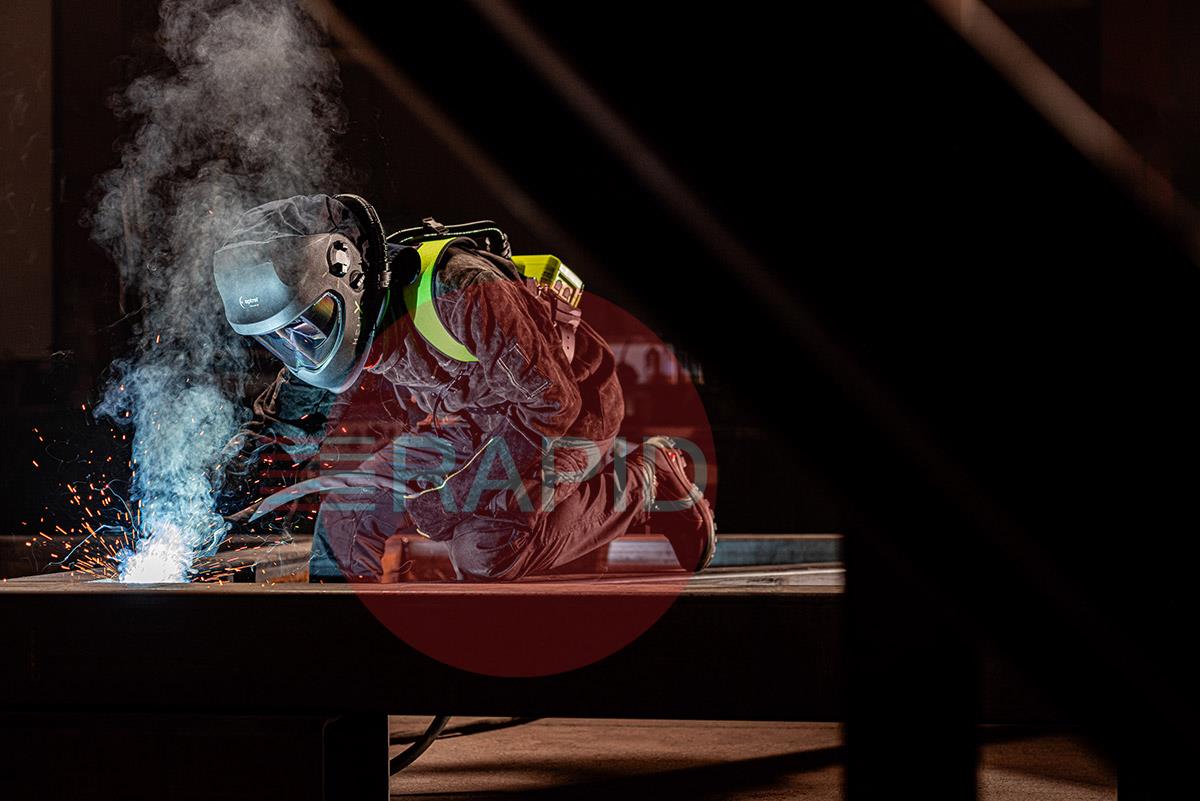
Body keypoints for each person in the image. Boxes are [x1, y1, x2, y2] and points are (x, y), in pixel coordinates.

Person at [211, 193, 715, 582]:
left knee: (484, 550)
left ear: (348, 278)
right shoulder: (323, 329)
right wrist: (235, 469)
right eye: (280, 338)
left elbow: (552, 406)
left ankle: (644, 478)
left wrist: (455, 494)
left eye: (306, 326)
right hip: (470, 421)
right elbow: (285, 413)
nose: (297, 347)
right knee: (347, 518)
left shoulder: (460, 290)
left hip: (570, 412)